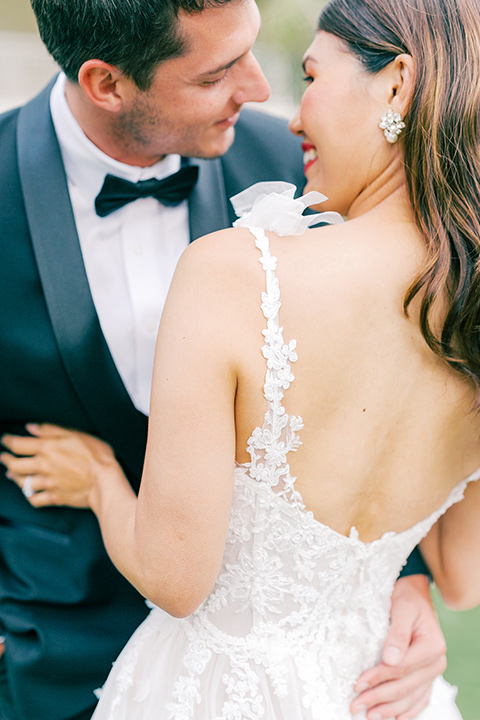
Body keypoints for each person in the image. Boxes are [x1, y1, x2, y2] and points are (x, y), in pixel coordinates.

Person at [2, 0, 479, 717]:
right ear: (107, 82)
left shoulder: (305, 169)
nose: (263, 90)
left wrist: (402, 578)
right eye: (220, 69)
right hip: (43, 646)